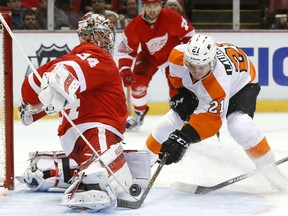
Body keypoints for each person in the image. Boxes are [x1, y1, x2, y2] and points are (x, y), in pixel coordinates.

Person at [16, 13, 150, 211]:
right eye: (104, 35)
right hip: (96, 132)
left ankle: (52, 169)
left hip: (73, 138)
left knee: (97, 160)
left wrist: (36, 107)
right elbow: (71, 70)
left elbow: (29, 88)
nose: (108, 41)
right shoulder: (98, 56)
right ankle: (93, 180)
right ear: (93, 36)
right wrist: (60, 81)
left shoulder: (61, 61)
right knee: (117, 173)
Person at [145, 34, 288, 191]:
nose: (196, 72)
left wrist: (183, 137)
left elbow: (211, 122)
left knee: (239, 126)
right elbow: (178, 80)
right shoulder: (176, 57)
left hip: (241, 84)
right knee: (173, 119)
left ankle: (273, 173)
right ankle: (142, 167)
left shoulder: (219, 82)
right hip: (215, 80)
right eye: (191, 65)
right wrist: (183, 96)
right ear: (186, 59)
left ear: (211, 62)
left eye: (201, 67)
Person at [117, 0, 195, 130]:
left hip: (173, 55)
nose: (153, 10)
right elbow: (126, 50)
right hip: (149, 58)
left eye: (155, 6)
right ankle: (138, 114)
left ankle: (179, 114)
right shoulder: (134, 26)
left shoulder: (171, 16)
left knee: (177, 87)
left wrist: (185, 53)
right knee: (137, 83)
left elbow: (189, 33)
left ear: (160, 6)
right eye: (149, 7)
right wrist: (125, 69)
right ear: (144, 7)